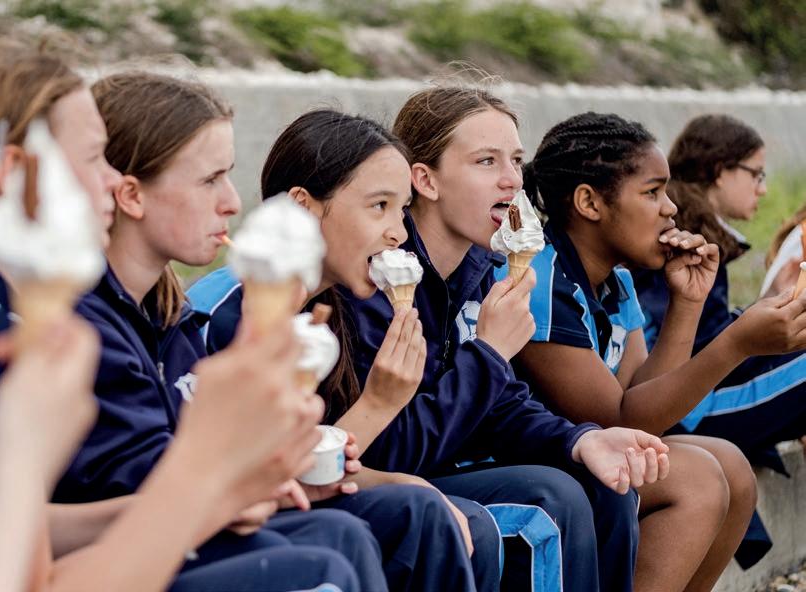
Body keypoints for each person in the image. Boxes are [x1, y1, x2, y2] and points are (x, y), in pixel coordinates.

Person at [0, 37, 363, 592]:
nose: (113, 179)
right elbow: (21, 575)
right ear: (15, 170)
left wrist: (221, 490)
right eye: (93, 159)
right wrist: (211, 475)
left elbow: (19, 539)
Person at [192, 101, 669, 592]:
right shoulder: (327, 298)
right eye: (487, 161)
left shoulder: (463, 273)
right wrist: (479, 360)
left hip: (367, 478)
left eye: (516, 161)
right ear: (428, 181)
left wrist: (578, 439)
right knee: (527, 502)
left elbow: (496, 407)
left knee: (602, 486)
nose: (512, 180)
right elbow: (360, 453)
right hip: (254, 512)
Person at [64, 72, 478, 592]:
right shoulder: (210, 315)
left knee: (418, 511)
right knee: (341, 545)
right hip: (136, 555)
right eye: (210, 180)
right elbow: (162, 483)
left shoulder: (181, 318)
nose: (232, 202)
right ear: (130, 194)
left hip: (200, 522)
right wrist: (383, 402)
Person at [511, 111, 806, 591]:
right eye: (652, 193)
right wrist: (736, 343)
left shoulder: (617, 281)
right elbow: (618, 419)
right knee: (697, 478)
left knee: (733, 467)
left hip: (593, 453)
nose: (670, 208)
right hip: (522, 461)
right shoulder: (540, 278)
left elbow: (647, 404)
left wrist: (687, 303)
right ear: (589, 202)